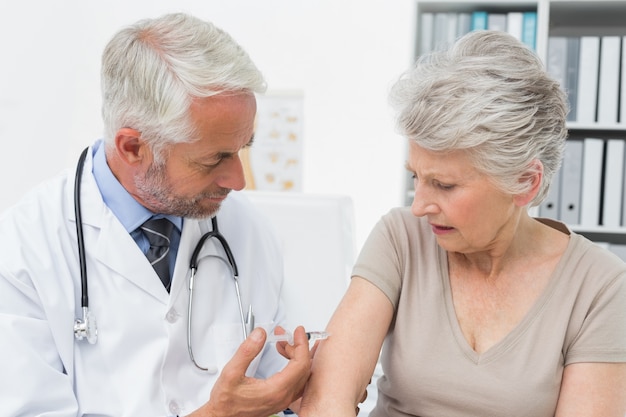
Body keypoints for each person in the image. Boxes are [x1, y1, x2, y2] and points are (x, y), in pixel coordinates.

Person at [298, 30, 626, 417]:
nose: (419, 206)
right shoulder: (401, 238)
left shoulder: (600, 287)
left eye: (445, 185)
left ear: (525, 182)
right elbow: (327, 399)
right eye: (415, 177)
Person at [0, 12, 312, 417]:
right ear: (133, 147)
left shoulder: (246, 229)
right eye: (215, 158)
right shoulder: (23, 252)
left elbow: (274, 374)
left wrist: (298, 394)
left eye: (242, 149)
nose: (238, 180)